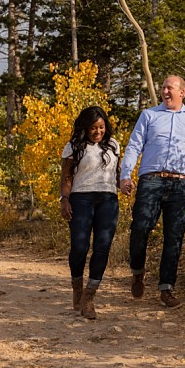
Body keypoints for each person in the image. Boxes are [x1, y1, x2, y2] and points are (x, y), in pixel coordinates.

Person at [120, 75, 185, 308]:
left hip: (181, 184)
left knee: (174, 237)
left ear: (182, 92)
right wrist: (125, 175)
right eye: (163, 88)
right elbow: (134, 145)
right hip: (151, 180)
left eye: (170, 88)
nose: (165, 91)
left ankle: (167, 288)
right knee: (139, 228)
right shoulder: (149, 116)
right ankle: (137, 272)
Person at [60, 105, 121, 320]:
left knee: (102, 247)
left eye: (102, 127)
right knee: (79, 246)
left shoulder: (113, 145)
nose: (98, 132)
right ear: (85, 128)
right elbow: (66, 177)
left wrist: (124, 184)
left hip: (108, 199)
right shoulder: (73, 146)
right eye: (93, 128)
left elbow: (117, 173)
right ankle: (77, 284)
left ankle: (89, 295)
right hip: (81, 198)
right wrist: (64, 200)